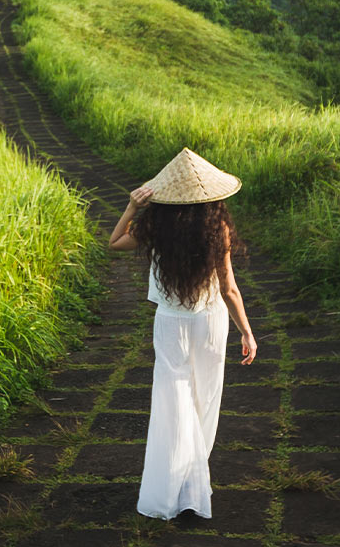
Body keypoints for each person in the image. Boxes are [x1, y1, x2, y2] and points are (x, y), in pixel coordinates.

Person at [106, 147, 256, 520]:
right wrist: (247, 332)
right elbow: (229, 289)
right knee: (204, 400)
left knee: (173, 402)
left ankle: (172, 488)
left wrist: (131, 207)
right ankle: (192, 484)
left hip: (171, 324)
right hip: (209, 323)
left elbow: (114, 242)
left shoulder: (156, 227)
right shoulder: (217, 228)